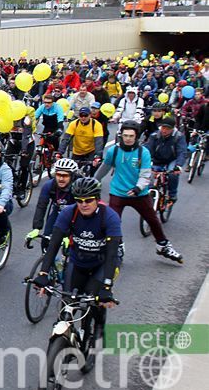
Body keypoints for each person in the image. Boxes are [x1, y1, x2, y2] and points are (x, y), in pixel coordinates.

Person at [33, 177, 121, 326]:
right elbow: (53, 245)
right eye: (79, 201)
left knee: (95, 302)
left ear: (97, 199)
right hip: (78, 263)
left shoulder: (110, 217)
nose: (83, 204)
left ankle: (97, 333)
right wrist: (43, 273)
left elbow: (112, 254)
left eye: (88, 200)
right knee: (67, 307)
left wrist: (107, 287)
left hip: (101, 265)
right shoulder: (68, 213)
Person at [94, 121, 183, 263]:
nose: (128, 139)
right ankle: (118, 245)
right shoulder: (114, 151)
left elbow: (145, 174)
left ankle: (162, 245)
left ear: (136, 137)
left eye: (131, 136)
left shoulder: (143, 152)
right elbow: (105, 167)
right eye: (125, 135)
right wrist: (94, 181)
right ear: (121, 135)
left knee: (152, 219)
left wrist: (138, 188)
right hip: (118, 192)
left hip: (138, 194)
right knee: (113, 222)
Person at [27, 158, 79, 252]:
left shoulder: (77, 187)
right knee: (46, 241)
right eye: (58, 175)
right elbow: (41, 206)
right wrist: (36, 228)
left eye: (65, 176)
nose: (61, 179)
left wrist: (69, 234)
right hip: (58, 211)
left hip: (77, 214)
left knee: (72, 246)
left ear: (72, 176)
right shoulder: (49, 185)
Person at [145, 117, 187, 202]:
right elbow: (147, 149)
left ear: (172, 129)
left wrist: (178, 165)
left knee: (172, 174)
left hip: (172, 160)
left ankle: (172, 194)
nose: (164, 131)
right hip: (157, 159)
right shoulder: (154, 136)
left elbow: (182, 152)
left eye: (167, 129)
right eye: (163, 128)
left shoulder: (179, 137)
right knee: (148, 176)